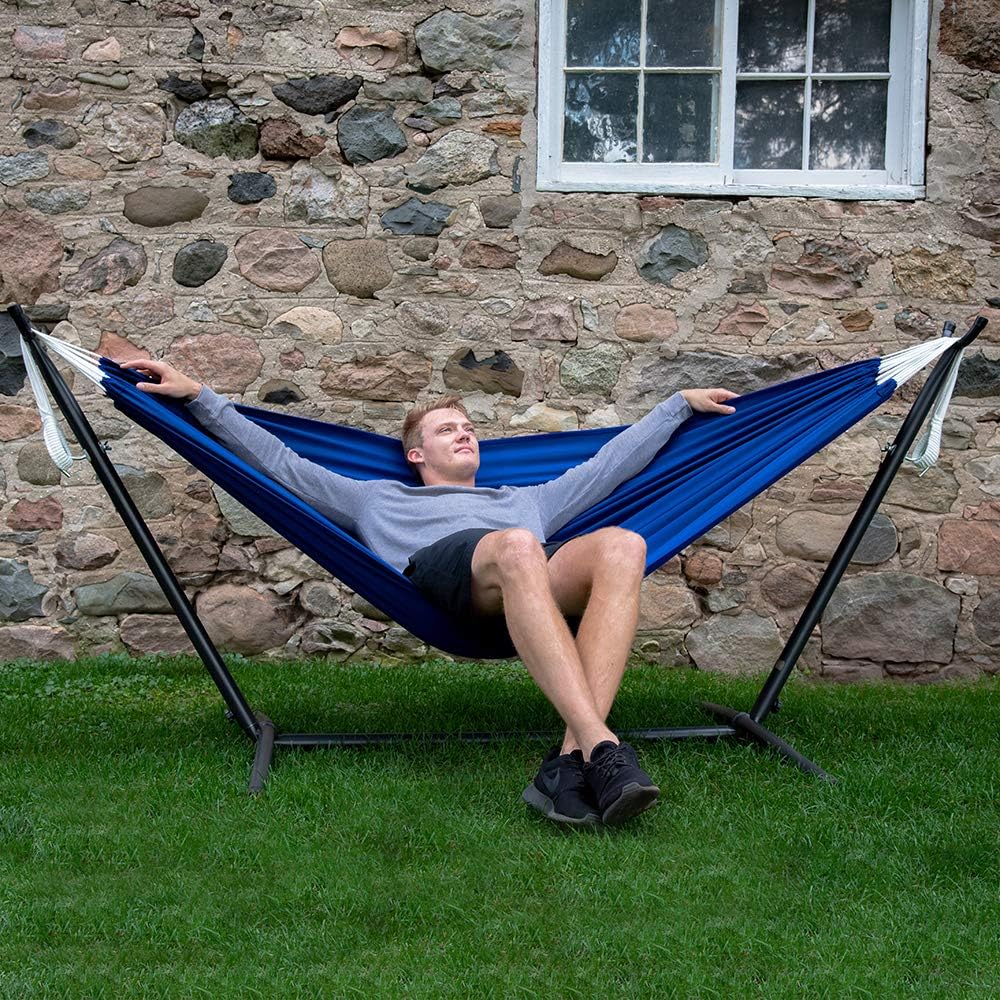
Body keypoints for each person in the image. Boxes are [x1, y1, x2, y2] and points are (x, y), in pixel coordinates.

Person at [121, 355, 738, 828]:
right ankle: (604, 746)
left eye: (469, 428)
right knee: (517, 545)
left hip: (524, 576)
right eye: (448, 429)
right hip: (446, 578)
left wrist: (676, 406)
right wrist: (200, 397)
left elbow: (608, 465)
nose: (465, 434)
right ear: (417, 453)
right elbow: (281, 463)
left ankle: (572, 763)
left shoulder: (526, 498)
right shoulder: (376, 498)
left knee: (624, 545)